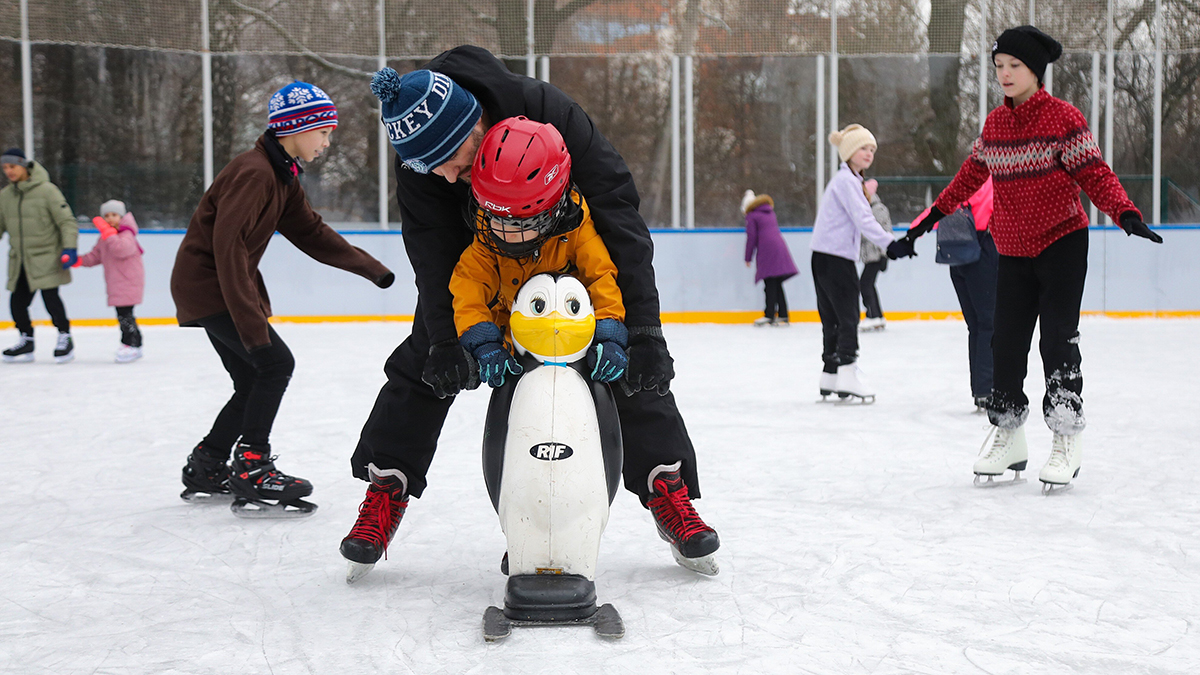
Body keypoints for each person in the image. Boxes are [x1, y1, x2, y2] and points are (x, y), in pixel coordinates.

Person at [343, 48, 720, 578]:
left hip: (566, 256)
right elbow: (434, 256)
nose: (447, 179)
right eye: (432, 170)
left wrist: (644, 331)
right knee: (424, 356)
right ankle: (388, 485)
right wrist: (449, 342)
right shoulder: (423, 161)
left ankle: (667, 487)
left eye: (450, 164)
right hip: (485, 268)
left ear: (474, 130)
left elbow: (617, 216)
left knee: (627, 358)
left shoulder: (550, 112)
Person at [894, 26, 1162, 490]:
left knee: (1058, 341)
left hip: (1062, 242)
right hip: (1012, 248)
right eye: (999, 67)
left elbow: (1094, 173)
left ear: (1035, 71)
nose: (1005, 75)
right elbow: (967, 179)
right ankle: (1009, 434)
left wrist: (1125, 212)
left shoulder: (1063, 119)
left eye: (1014, 66)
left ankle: (1064, 436)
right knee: (1005, 344)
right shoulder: (995, 126)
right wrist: (926, 221)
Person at [170, 81, 395, 514]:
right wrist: (252, 322)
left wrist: (371, 268)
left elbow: (311, 232)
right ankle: (252, 464)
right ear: (295, 129)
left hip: (215, 285)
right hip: (209, 285)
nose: (327, 143)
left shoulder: (282, 176)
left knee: (254, 378)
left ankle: (208, 462)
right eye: (323, 132)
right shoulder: (254, 172)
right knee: (274, 364)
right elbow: (228, 246)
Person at [448, 117, 627, 388]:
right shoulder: (487, 241)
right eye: (494, 217)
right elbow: (468, 286)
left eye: (520, 224)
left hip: (574, 344)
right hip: (515, 349)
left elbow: (601, 277)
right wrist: (483, 340)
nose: (502, 232)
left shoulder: (577, 230)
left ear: (551, 212)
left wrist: (609, 333)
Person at [810, 125, 909, 401]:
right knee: (848, 316)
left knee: (832, 316)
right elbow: (864, 219)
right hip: (835, 258)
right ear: (849, 152)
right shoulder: (847, 182)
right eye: (863, 148)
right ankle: (848, 372)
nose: (869, 154)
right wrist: (891, 243)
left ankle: (830, 372)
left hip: (823, 256)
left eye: (872, 149)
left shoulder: (846, 181)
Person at [911, 178, 997, 412]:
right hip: (983, 254)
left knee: (977, 326)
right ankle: (987, 390)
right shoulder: (992, 181)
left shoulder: (962, 182)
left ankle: (981, 390)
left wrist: (913, 232)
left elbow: (937, 209)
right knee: (989, 324)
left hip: (957, 258)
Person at [0, 147, 78, 364]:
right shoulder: (5, 196)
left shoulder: (47, 191)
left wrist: (69, 247)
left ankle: (65, 337)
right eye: (5, 168)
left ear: (24, 165)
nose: (9, 171)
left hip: (47, 256)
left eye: (12, 166)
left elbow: (66, 221)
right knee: (17, 303)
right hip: (20, 260)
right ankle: (26, 340)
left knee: (50, 299)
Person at [75, 200, 146, 363]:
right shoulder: (106, 237)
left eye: (114, 215)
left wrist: (108, 234)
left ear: (121, 216)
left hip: (128, 282)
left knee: (125, 314)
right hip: (116, 282)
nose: (110, 219)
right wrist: (78, 261)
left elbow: (121, 249)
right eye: (106, 216)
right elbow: (95, 256)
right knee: (125, 314)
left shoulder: (126, 234)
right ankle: (136, 343)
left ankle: (130, 343)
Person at [742, 190, 798, 327]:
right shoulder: (769, 212)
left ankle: (769, 314)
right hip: (779, 247)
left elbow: (752, 238)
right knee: (776, 283)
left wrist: (748, 257)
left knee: (770, 283)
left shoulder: (752, 216)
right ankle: (783, 315)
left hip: (767, 251)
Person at [858, 179, 890, 332]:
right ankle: (876, 315)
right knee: (867, 284)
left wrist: (884, 255)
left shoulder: (877, 209)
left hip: (876, 254)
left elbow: (882, 232)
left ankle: (873, 315)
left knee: (865, 284)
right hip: (871, 255)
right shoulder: (868, 208)